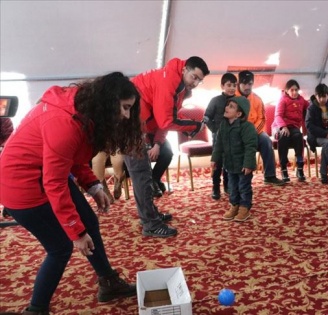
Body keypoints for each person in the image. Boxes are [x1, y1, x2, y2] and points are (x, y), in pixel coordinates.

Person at [0, 73, 143, 314]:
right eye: (125, 107)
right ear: (109, 101)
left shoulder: (82, 109)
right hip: (21, 187)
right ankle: (36, 309)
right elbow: (54, 183)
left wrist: (93, 185)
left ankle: (107, 281)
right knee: (60, 247)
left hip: (43, 176)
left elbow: (71, 157)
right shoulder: (64, 122)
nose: (127, 115)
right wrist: (75, 232)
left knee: (89, 221)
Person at [130, 56, 209, 237]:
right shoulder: (169, 81)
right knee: (141, 174)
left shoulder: (180, 86)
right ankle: (150, 224)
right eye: (194, 77)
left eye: (200, 80)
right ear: (184, 70)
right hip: (131, 126)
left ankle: (149, 214)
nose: (196, 83)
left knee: (164, 153)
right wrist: (194, 125)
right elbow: (167, 121)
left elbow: (163, 120)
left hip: (144, 125)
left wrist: (157, 143)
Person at [211, 96, 257, 222]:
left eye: (231, 106)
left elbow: (250, 146)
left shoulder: (247, 127)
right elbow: (218, 144)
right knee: (232, 187)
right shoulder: (223, 126)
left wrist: (248, 164)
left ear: (239, 113)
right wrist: (214, 159)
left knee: (244, 187)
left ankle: (244, 208)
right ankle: (234, 206)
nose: (226, 107)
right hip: (230, 165)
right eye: (227, 105)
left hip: (243, 165)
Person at [235, 70, 284, 186]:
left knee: (266, 140)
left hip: (255, 131)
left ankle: (270, 176)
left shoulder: (257, 99)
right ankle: (234, 181)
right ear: (239, 83)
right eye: (244, 84)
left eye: (250, 84)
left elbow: (262, 119)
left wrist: (253, 132)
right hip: (237, 132)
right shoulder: (232, 98)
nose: (247, 87)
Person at [204, 72, 237, 200]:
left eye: (234, 85)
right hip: (218, 138)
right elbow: (206, 118)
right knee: (217, 163)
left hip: (233, 138)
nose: (232, 88)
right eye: (229, 85)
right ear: (222, 85)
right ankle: (215, 186)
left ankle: (227, 185)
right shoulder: (215, 100)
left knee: (230, 161)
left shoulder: (238, 101)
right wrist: (215, 130)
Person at [272, 79, 308, 182]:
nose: (294, 92)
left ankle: (300, 166)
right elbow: (277, 116)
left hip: (294, 127)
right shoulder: (282, 100)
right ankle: (284, 168)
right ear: (287, 91)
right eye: (292, 90)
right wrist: (283, 127)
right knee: (283, 136)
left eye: (296, 90)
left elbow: (310, 106)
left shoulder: (301, 100)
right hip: (279, 126)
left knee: (298, 136)